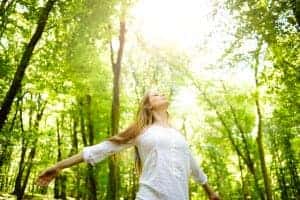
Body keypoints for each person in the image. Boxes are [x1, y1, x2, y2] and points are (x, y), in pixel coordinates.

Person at [36, 90, 220, 200]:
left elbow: (193, 166)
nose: (162, 94)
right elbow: (101, 149)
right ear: (148, 106)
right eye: (156, 94)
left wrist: (210, 192)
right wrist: (58, 166)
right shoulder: (141, 131)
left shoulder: (178, 136)